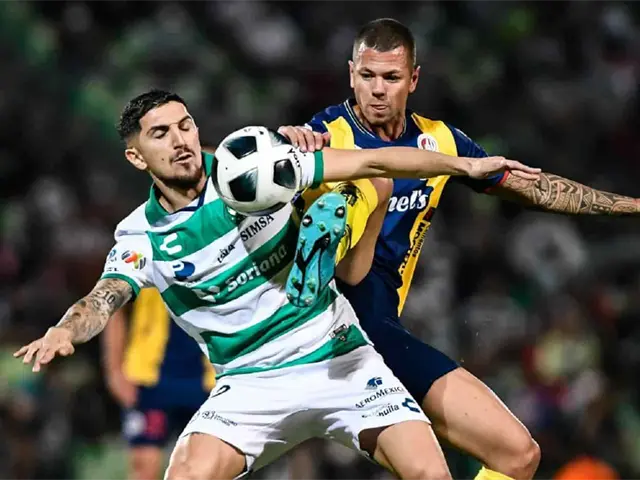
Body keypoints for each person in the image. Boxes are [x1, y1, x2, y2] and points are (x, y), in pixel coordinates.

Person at [13, 89, 537, 480]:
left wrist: (464, 166)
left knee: (430, 473)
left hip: (339, 357)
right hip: (250, 382)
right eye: (161, 134)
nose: (180, 141)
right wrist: (66, 330)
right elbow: (104, 297)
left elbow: (373, 158)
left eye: (185, 125)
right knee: (185, 473)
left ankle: (327, 242)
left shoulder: (253, 164)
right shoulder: (141, 237)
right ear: (136, 156)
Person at [278, 17, 640, 480]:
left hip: (380, 336)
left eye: (391, 77)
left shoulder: (441, 143)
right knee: (365, 185)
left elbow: (533, 188)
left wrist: (631, 206)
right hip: (334, 321)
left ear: (413, 79)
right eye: (367, 76)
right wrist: (286, 147)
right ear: (351, 74)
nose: (377, 90)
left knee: (518, 456)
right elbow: (262, 163)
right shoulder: (325, 134)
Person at [102, 287, 215, 480]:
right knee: (145, 467)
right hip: (149, 379)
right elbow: (113, 300)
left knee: (208, 470)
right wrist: (114, 370)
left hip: (209, 379)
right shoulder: (144, 264)